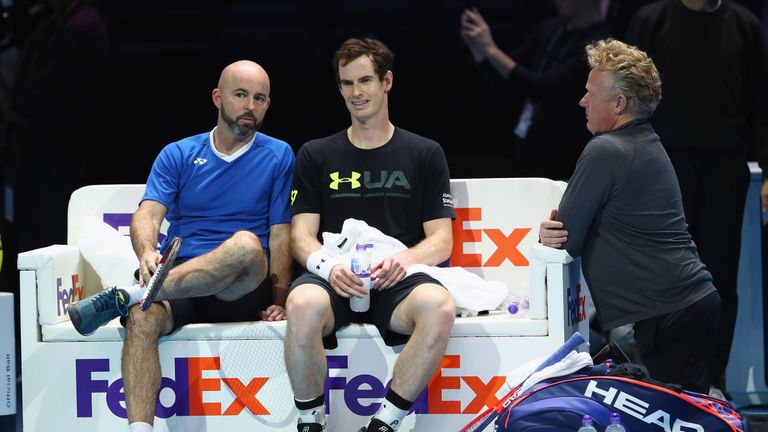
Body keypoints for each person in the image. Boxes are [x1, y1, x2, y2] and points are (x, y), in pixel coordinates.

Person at [66, 60, 295, 432]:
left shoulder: (279, 154)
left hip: (242, 286)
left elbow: (281, 232)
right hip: (184, 285)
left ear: (268, 105)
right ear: (218, 98)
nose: (250, 106)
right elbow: (147, 215)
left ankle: (132, 292)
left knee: (246, 245)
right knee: (141, 317)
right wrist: (145, 252)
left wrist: (280, 298)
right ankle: (139, 428)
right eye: (240, 95)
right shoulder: (178, 154)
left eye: (260, 98)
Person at [284, 37, 455, 432]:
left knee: (439, 307)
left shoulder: (425, 152)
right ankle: (310, 421)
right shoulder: (315, 153)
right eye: (347, 83)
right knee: (303, 304)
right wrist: (328, 267)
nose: (356, 93)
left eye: (365, 81)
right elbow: (300, 237)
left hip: (395, 279)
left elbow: (441, 240)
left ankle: (386, 422)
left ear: (387, 81)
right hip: (335, 278)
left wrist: (405, 260)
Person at [539, 38, 720, 393]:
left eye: (591, 93)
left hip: (672, 315)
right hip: (683, 308)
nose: (582, 101)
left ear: (619, 103)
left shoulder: (605, 150)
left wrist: (548, 234)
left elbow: (566, 237)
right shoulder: (643, 141)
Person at [624, 0, 768, 398]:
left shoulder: (745, 25)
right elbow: (626, 94)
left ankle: (713, 379)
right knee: (661, 275)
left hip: (726, 166)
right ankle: (660, 376)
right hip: (660, 166)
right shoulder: (650, 21)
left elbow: (762, 102)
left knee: (720, 277)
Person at [460, 0, 609, 179]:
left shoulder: (599, 43)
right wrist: (477, 47)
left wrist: (490, 48)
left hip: (564, 147)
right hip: (529, 139)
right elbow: (503, 76)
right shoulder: (550, 28)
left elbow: (541, 87)